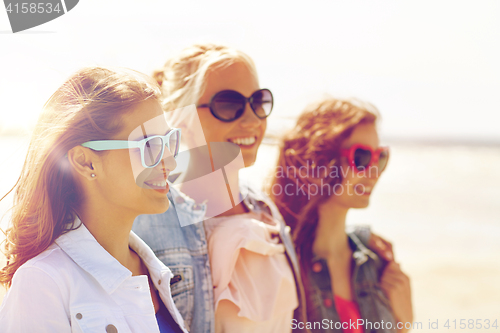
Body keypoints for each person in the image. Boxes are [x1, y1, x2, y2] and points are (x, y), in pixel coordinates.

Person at [133, 44, 396, 333]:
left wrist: (362, 238)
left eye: (258, 102)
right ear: (180, 116)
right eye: (229, 105)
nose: (252, 120)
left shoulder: (262, 208)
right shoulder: (152, 219)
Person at [0, 67, 188, 333]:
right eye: (148, 145)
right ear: (86, 161)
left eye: (169, 141)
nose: (169, 160)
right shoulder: (43, 283)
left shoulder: (154, 270)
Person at [269, 98, 413, 333]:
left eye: (381, 157)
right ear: (319, 161)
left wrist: (403, 326)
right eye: (362, 158)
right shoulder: (278, 264)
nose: (374, 172)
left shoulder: (378, 266)